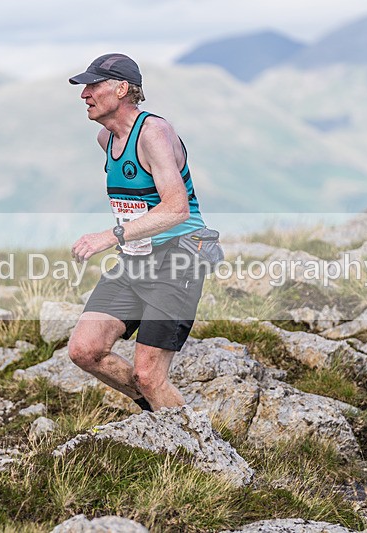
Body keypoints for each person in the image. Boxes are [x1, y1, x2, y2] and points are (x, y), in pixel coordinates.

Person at [67, 53, 208, 412]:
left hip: (179, 256)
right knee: (85, 350)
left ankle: (195, 443)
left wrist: (110, 236)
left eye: (93, 85)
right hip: (136, 257)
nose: (84, 94)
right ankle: (159, 415)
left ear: (121, 89)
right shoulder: (106, 138)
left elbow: (176, 209)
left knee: (149, 375)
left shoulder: (154, 133)